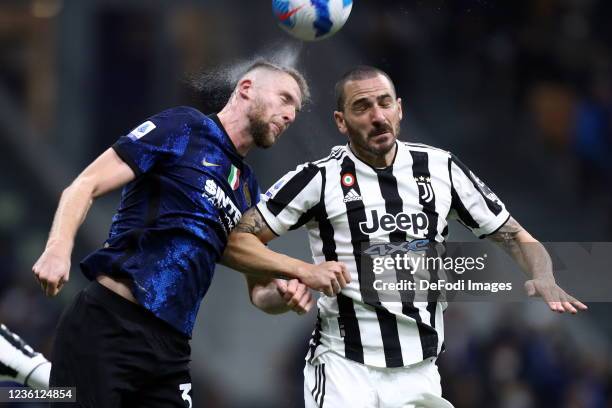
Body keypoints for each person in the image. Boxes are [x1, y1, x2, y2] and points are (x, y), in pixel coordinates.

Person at [221, 66, 588, 408]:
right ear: (341, 122)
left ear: (399, 109)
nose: (377, 116)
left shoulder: (440, 168)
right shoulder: (318, 178)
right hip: (345, 369)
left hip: (420, 372)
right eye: (362, 107)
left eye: (384, 103)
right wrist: (300, 272)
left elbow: (514, 235)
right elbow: (238, 241)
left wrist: (543, 275)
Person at [11, 60, 349, 407]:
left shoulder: (248, 190)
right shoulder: (185, 127)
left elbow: (259, 292)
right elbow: (85, 185)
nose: (290, 115)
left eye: (294, 107)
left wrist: (284, 299)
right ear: (246, 88)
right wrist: (57, 248)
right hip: (110, 324)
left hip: (170, 350)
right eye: (284, 98)